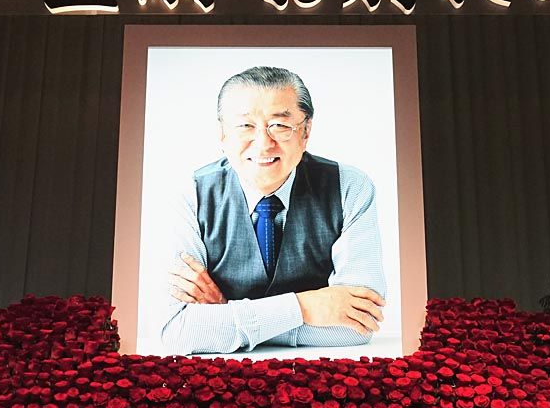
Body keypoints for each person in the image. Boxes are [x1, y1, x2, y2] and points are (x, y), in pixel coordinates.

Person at [161, 65, 386, 354]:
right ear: (222, 134)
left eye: (279, 125)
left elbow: (359, 325)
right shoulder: (191, 194)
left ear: (305, 132)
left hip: (317, 370)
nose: (263, 143)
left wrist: (226, 315)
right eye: (245, 126)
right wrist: (304, 307)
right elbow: (178, 330)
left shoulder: (350, 187)